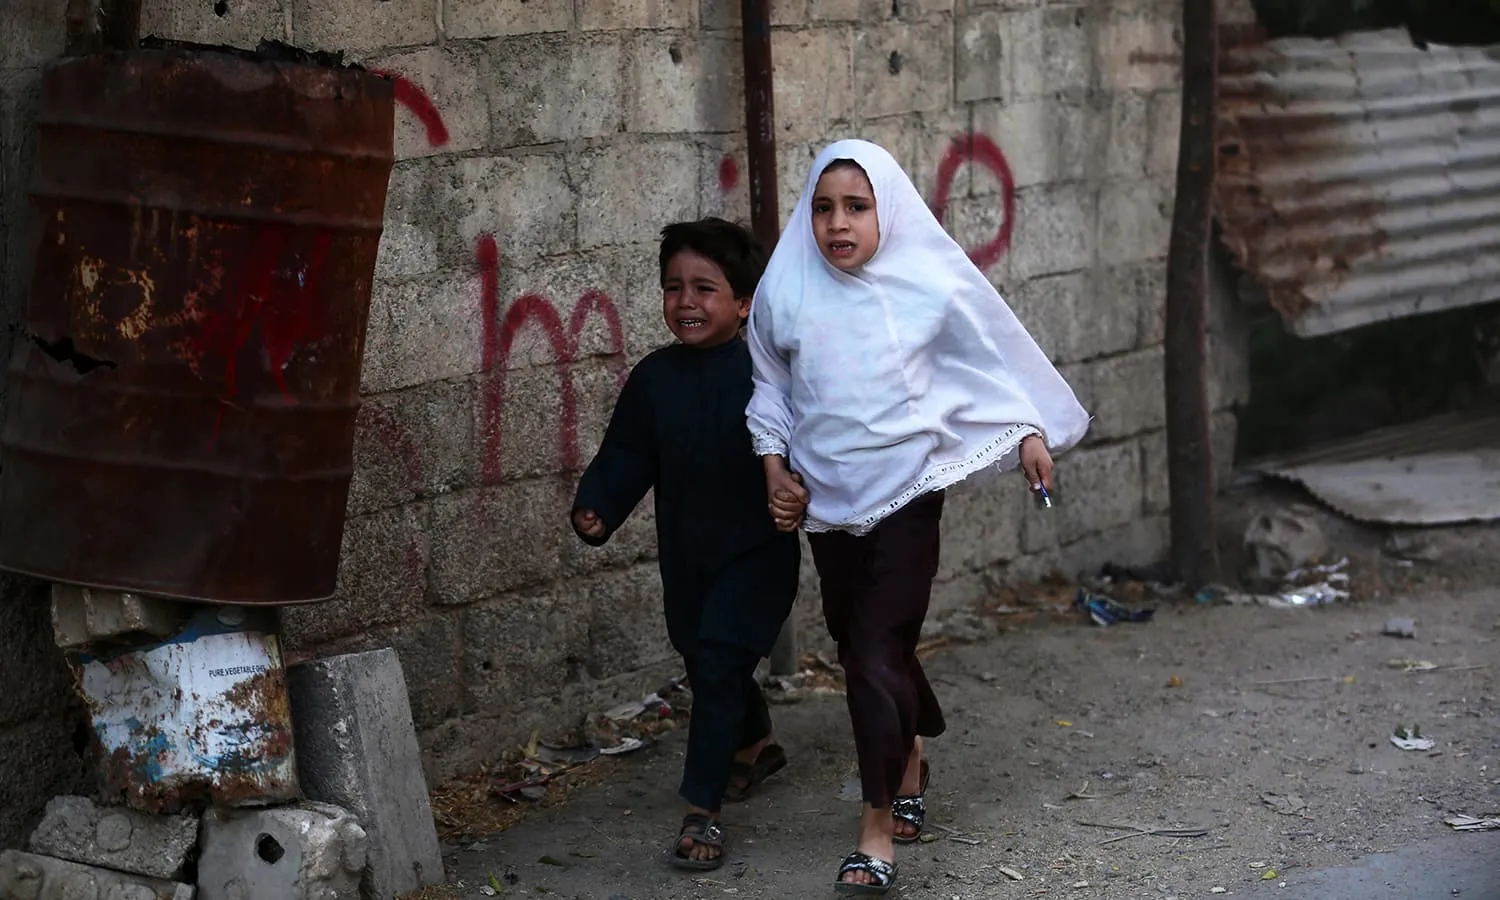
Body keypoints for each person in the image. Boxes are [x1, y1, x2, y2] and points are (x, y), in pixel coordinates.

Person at [747, 140, 1091, 895]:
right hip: (828, 507)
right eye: (824, 207)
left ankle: (874, 834)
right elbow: (770, 386)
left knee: (873, 652)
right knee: (865, 643)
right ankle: (907, 758)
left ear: (888, 212)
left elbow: (989, 361)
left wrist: (1027, 430)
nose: (839, 223)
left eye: (857, 207)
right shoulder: (785, 291)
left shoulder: (927, 284)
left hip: (907, 496)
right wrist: (776, 469)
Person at [570, 217, 801, 872]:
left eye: (706, 288)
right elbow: (627, 454)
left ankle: (704, 810)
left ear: (746, 300)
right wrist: (598, 506)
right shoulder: (655, 379)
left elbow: (807, 446)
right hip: (688, 556)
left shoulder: (771, 375)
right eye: (674, 288)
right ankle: (755, 743)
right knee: (705, 660)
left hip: (758, 552)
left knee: (723, 661)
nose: (687, 303)